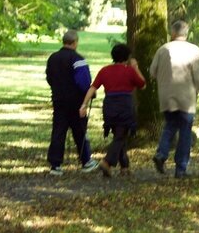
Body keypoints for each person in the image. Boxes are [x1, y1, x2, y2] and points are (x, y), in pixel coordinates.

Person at [150, 21, 199, 178]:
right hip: (186, 98)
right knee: (185, 131)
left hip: (166, 96)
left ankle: (161, 154)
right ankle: (181, 169)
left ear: (172, 33)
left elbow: (152, 72)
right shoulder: (193, 50)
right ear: (186, 33)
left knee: (170, 125)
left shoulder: (162, 49)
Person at [79, 44, 146, 177]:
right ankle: (107, 161)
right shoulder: (130, 71)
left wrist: (84, 104)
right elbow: (143, 85)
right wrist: (136, 68)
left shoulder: (105, 70)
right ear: (127, 57)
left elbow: (93, 88)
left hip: (109, 105)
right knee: (121, 136)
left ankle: (125, 166)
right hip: (125, 105)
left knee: (118, 135)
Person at [45, 29, 98, 176]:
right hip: (76, 102)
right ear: (75, 42)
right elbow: (83, 81)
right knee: (80, 130)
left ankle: (55, 165)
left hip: (59, 100)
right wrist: (89, 94)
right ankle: (86, 161)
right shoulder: (78, 59)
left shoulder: (53, 58)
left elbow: (49, 78)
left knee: (58, 131)